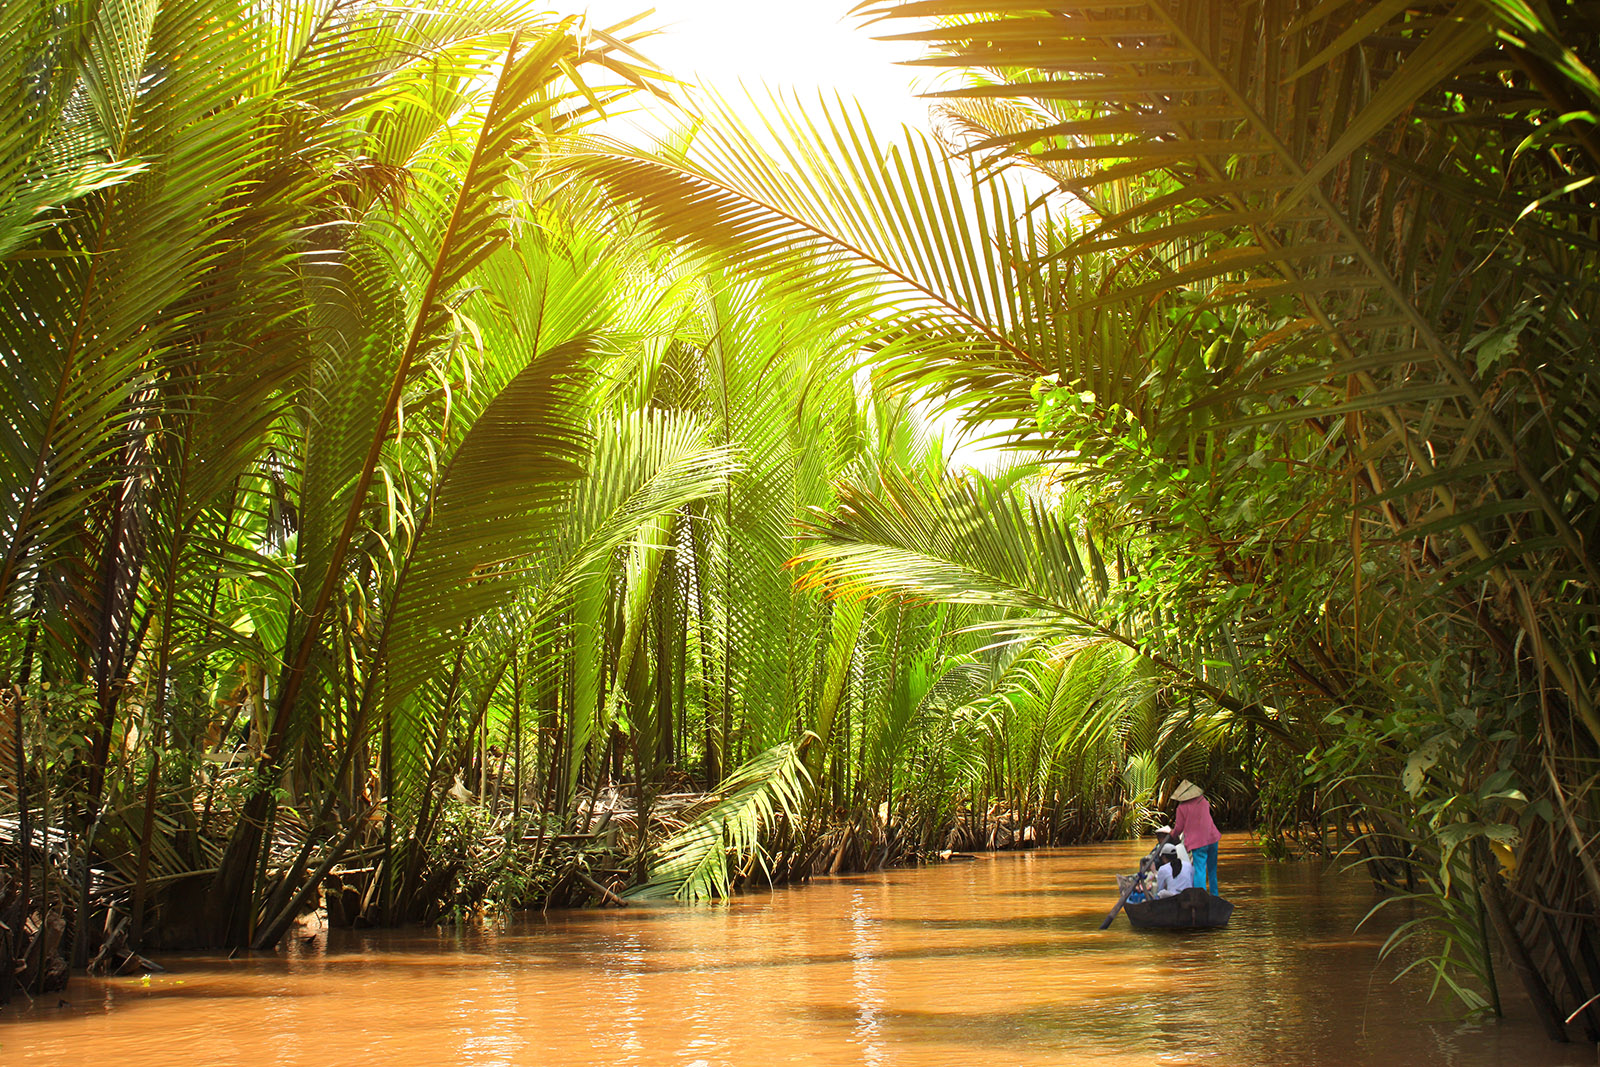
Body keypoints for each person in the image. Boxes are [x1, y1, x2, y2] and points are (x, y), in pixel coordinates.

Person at [1171, 779, 1220, 894]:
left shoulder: (1181, 808)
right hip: (1212, 838)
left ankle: (1201, 897)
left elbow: (1179, 828)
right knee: (1212, 871)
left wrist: (1172, 834)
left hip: (1198, 843)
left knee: (1200, 870)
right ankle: (1215, 895)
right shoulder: (1203, 801)